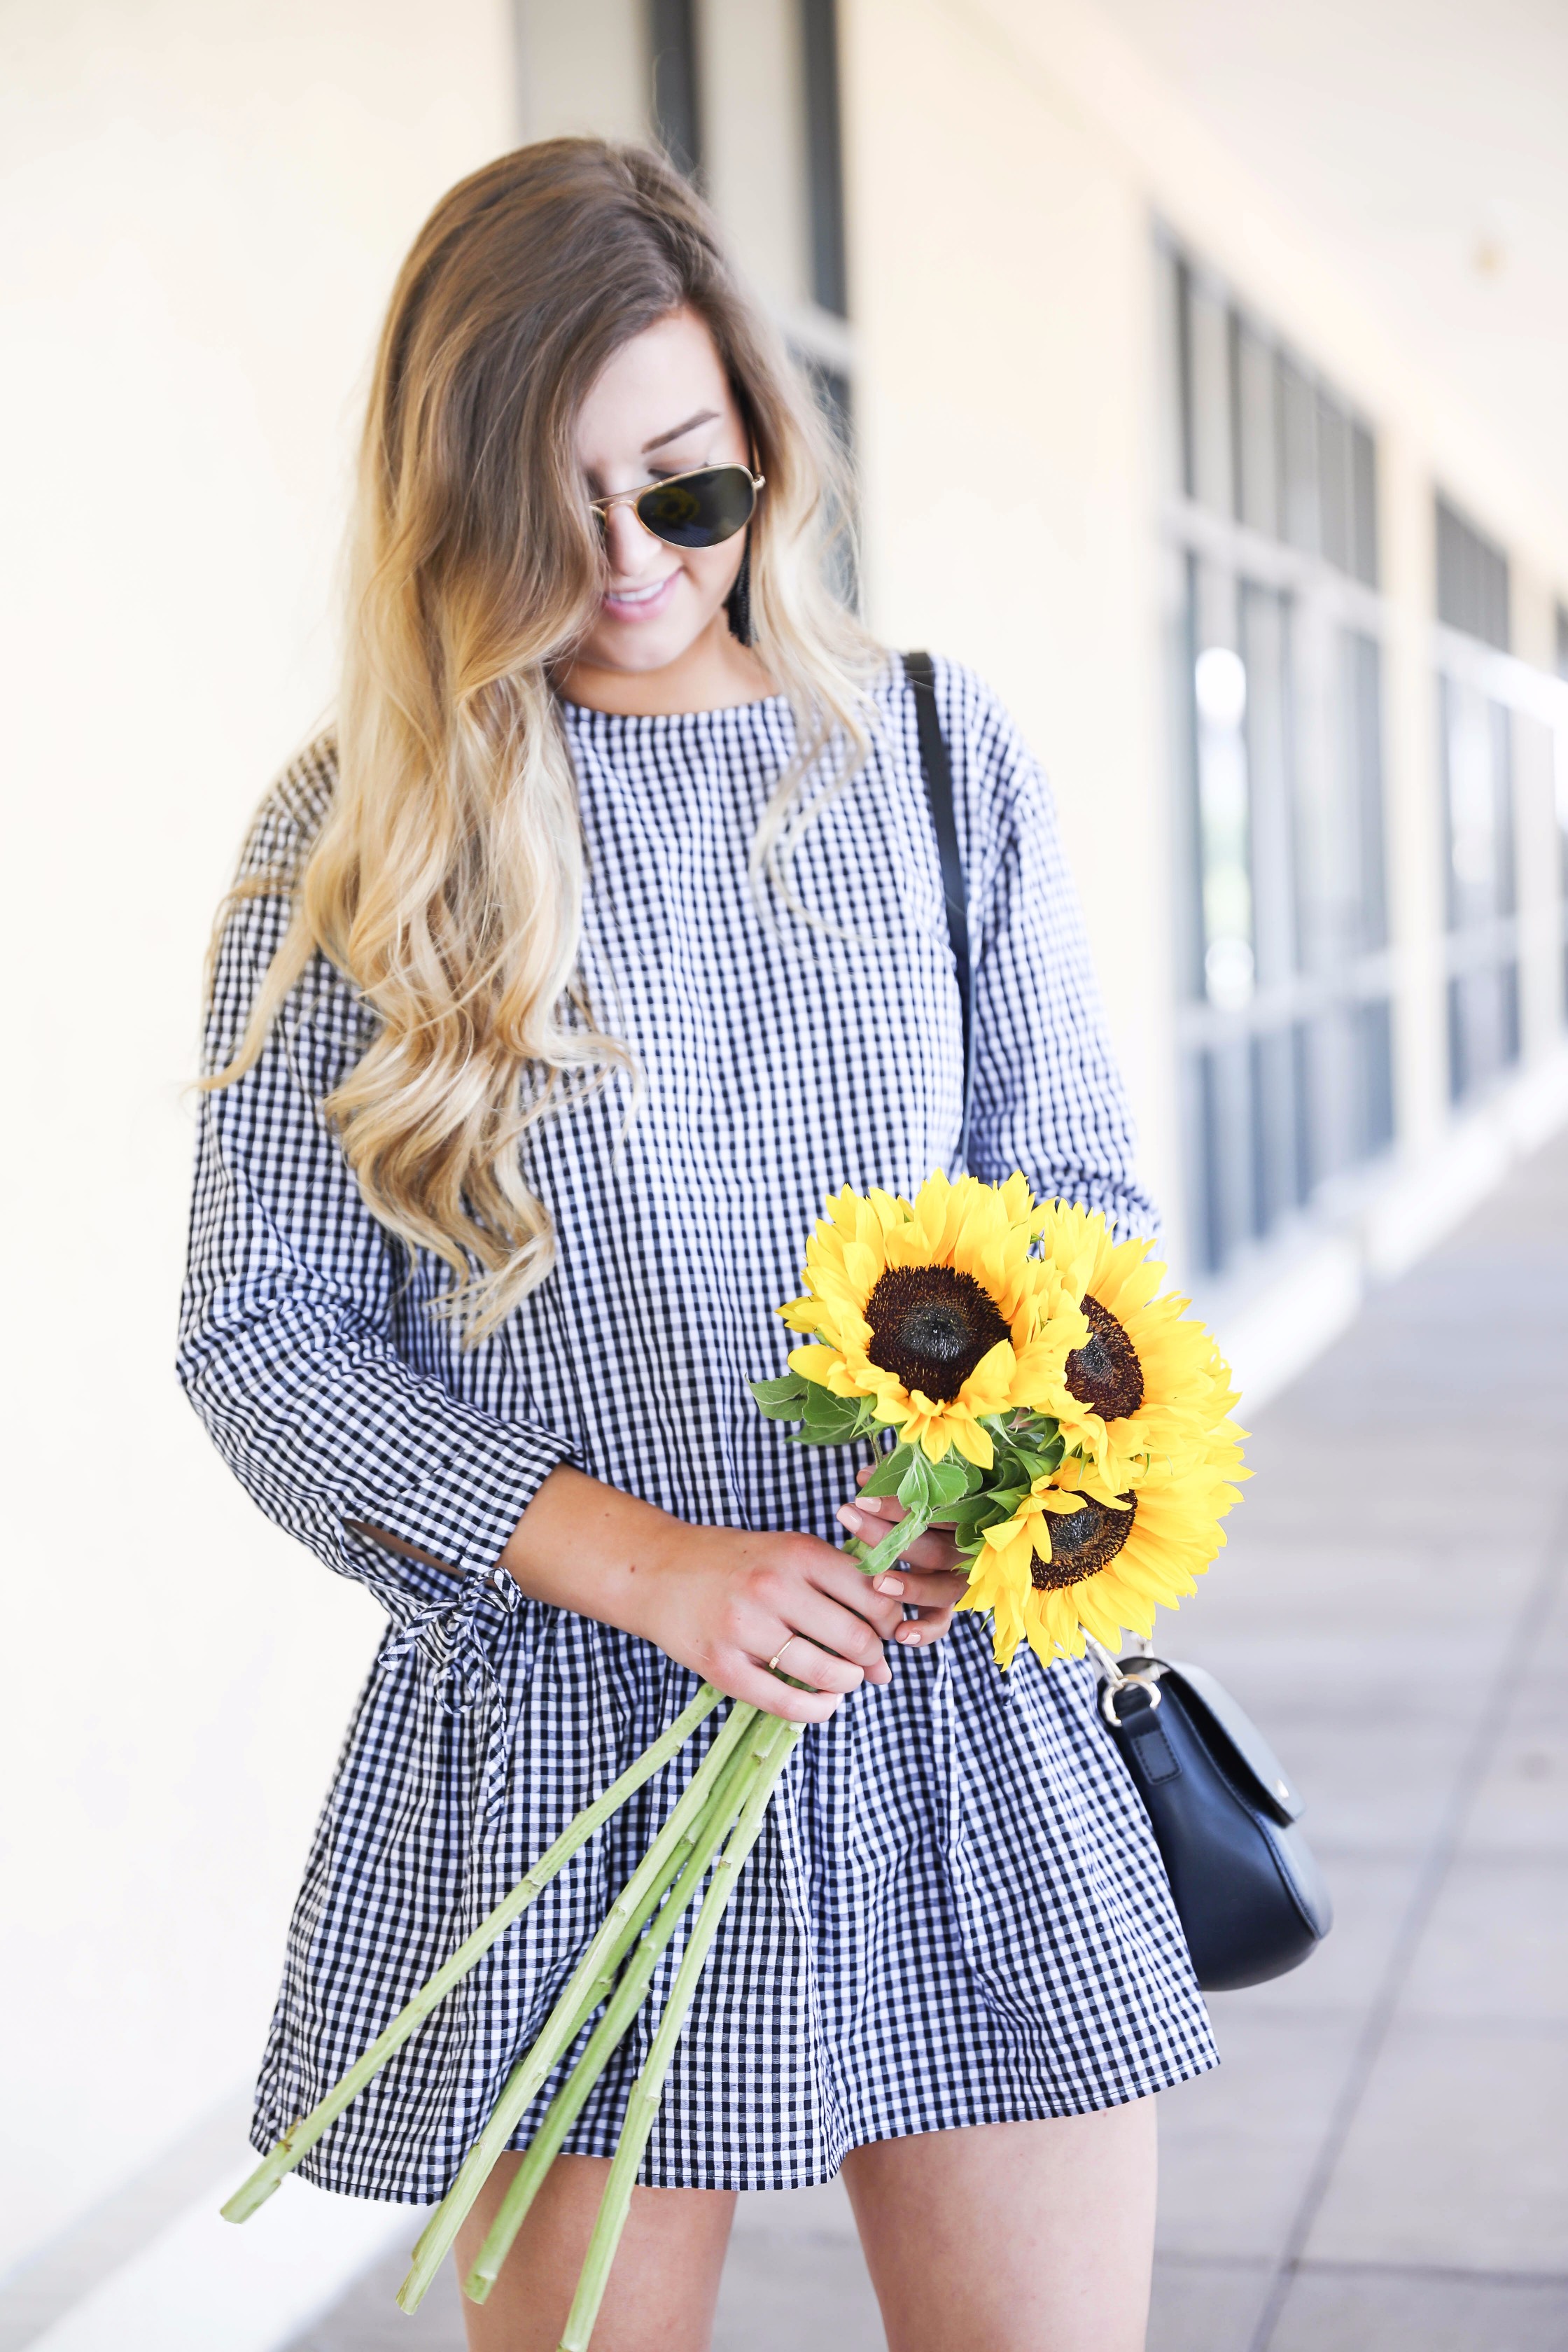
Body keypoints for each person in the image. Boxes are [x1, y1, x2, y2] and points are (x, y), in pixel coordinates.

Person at [179, 137, 1214, 2352]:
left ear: (762, 439)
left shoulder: (938, 758)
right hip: (575, 1744)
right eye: (546, 505)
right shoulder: (349, 839)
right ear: (439, 507)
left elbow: (1089, 1202)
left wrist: (993, 1498)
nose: (630, 564)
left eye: (683, 489)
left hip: (960, 1725)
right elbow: (262, 1337)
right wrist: (663, 1569)